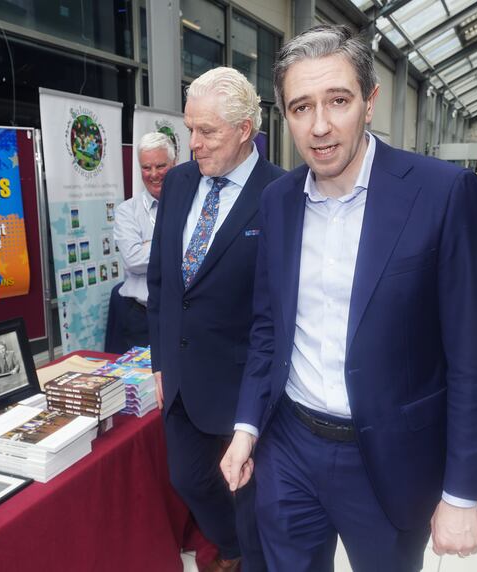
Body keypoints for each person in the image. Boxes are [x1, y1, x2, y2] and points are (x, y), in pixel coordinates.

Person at [220, 25, 477, 572]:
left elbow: (471, 355)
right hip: (290, 446)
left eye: (338, 101)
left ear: (369, 102)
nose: (319, 126)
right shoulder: (277, 201)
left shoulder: (441, 194)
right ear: (285, 116)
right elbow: (268, 328)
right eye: (301, 107)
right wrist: (246, 428)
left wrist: (463, 492)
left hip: (390, 458)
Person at [147, 66, 284, 572]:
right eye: (189, 129)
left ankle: (249, 557)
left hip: (244, 385)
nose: (193, 144)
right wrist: (160, 361)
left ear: (245, 129)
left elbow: (281, 307)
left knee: (250, 496)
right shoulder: (181, 182)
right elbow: (163, 279)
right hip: (181, 379)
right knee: (188, 479)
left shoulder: (281, 194)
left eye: (207, 132)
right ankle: (231, 547)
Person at [112, 132, 176, 350]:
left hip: (181, 316)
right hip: (142, 317)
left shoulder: (191, 205)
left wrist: (149, 245)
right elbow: (133, 259)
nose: (154, 174)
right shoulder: (127, 211)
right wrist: (174, 244)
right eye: (146, 168)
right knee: (140, 381)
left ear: (174, 164)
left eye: (160, 166)